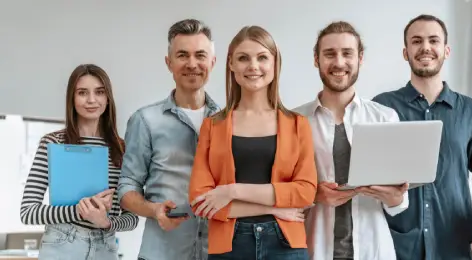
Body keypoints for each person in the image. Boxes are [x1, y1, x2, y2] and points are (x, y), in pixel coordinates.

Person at [372, 14, 472, 260]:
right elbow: (368, 175)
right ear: (405, 52)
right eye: (417, 41)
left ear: (446, 50)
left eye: (433, 40)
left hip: (454, 246)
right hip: (395, 248)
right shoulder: (381, 108)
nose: (425, 47)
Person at [188, 25, 317, 259]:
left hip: (286, 245)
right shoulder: (213, 125)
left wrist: (232, 191)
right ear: (231, 64)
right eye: (243, 58)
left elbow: (305, 192)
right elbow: (200, 201)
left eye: (262, 57)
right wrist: (273, 208)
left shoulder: (297, 124)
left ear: (275, 64)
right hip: (229, 246)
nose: (253, 66)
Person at [294, 21, 409, 260]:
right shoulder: (294, 121)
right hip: (314, 249)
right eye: (329, 54)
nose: (339, 62)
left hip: (373, 249)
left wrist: (395, 197)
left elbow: (398, 201)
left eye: (347, 53)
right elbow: (281, 191)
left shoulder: (384, 118)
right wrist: (312, 194)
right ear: (316, 59)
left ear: (360, 59)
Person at [117, 19, 220, 260]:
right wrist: (153, 210)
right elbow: (126, 188)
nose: (192, 64)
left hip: (216, 253)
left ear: (212, 62)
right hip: (161, 254)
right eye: (182, 55)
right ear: (169, 62)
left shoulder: (229, 121)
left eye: (200, 55)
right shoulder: (145, 121)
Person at [19, 64, 139, 260]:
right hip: (61, 245)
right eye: (82, 93)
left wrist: (107, 223)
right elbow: (28, 212)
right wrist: (79, 211)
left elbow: (132, 218)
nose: (92, 100)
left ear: (107, 98)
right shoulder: (53, 143)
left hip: (105, 247)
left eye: (99, 92)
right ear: (72, 99)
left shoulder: (123, 149)